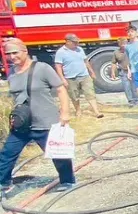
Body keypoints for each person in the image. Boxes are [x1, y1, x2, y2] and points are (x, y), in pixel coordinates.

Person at [0, 38, 75, 195]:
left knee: (57, 154)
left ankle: (67, 181)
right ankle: (4, 184)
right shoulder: (12, 73)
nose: (12, 56)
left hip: (45, 121)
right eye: (8, 54)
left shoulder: (42, 68)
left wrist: (65, 112)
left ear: (25, 51)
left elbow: (61, 90)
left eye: (15, 52)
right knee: (7, 154)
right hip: (22, 124)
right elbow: (16, 97)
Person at [54, 33, 103, 119]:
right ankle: (78, 110)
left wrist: (91, 72)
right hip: (70, 77)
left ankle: (96, 112)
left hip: (84, 75)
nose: (77, 44)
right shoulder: (60, 52)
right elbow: (58, 66)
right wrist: (62, 79)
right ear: (68, 42)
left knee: (90, 93)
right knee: (74, 96)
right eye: (74, 42)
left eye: (77, 42)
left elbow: (85, 61)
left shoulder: (80, 49)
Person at [111, 37, 138, 106]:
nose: (124, 45)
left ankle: (137, 100)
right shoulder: (116, 52)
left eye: (125, 43)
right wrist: (112, 72)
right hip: (123, 72)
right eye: (122, 44)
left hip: (132, 71)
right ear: (119, 44)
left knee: (134, 86)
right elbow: (113, 62)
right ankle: (130, 101)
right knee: (126, 87)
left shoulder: (131, 50)